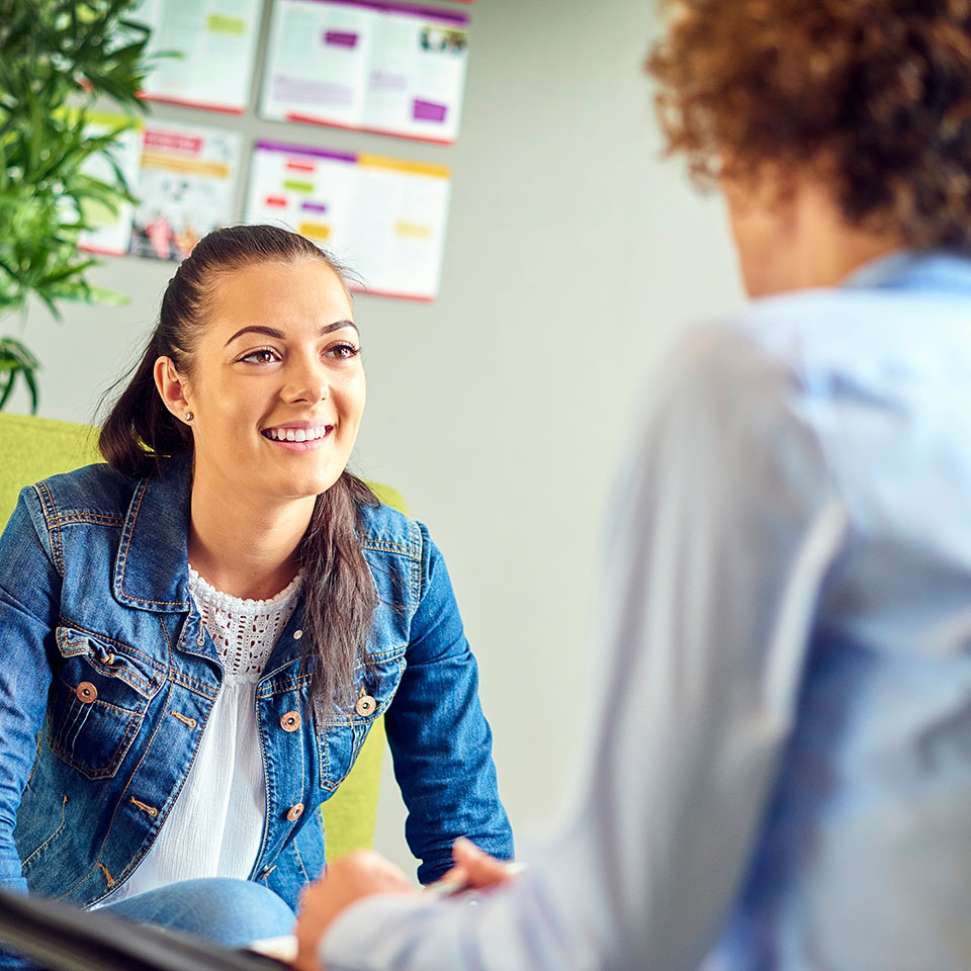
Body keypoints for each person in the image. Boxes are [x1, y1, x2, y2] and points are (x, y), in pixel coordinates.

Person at [293, 1, 971, 968]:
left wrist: (358, 930)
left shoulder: (777, 383)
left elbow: (611, 941)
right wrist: (539, 904)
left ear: (764, 149)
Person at [0, 225, 513, 968]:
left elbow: (467, 851)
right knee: (233, 910)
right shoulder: (62, 536)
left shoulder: (404, 574)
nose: (312, 387)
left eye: (338, 349)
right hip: (64, 947)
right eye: (262, 354)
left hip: (263, 953)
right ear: (179, 389)